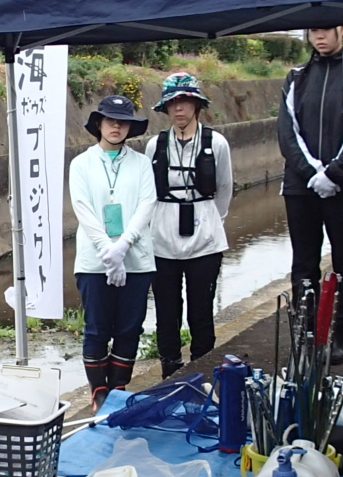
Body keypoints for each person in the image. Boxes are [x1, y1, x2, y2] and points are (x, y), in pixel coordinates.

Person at [276, 25, 343, 363]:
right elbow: (287, 130)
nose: (319, 37)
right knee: (303, 262)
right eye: (313, 31)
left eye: (325, 30)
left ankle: (339, 333)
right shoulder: (296, 77)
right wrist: (312, 173)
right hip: (301, 186)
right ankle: (306, 331)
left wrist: (336, 172)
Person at [142, 72, 233, 377]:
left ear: (196, 105)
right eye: (173, 103)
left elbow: (225, 188)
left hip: (205, 238)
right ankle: (169, 369)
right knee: (166, 312)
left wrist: (209, 221)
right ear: (166, 108)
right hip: (162, 239)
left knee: (201, 310)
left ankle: (202, 370)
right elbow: (148, 192)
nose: (179, 108)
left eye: (184, 101)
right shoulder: (155, 145)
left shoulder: (216, 143)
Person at [70, 93, 156, 406]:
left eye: (123, 122)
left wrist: (123, 245)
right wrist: (107, 248)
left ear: (130, 127)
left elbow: (147, 205)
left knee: (130, 327)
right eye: (110, 120)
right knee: (96, 328)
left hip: (136, 259)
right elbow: (82, 208)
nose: (116, 126)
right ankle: (98, 391)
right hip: (94, 260)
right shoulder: (81, 164)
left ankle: (118, 387)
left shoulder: (141, 164)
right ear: (99, 124)